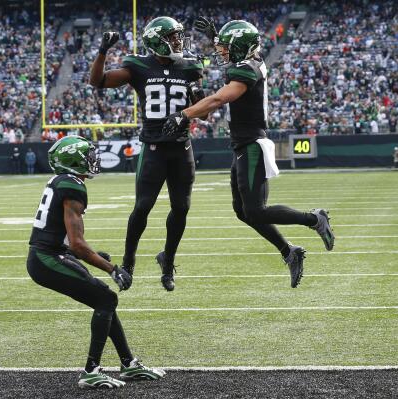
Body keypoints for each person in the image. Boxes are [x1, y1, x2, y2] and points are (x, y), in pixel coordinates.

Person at [163, 19, 335, 288]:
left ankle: (314, 219)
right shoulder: (250, 60)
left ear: (241, 48)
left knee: (256, 210)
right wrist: (217, 36)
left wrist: (184, 114)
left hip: (252, 145)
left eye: (225, 48)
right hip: (243, 145)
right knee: (243, 212)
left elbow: (221, 98)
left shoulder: (248, 69)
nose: (221, 53)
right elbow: (236, 58)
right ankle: (290, 252)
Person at [27, 135, 165, 389]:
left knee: (105, 300)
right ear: (73, 160)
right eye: (88, 156)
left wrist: (94, 255)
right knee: (106, 298)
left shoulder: (62, 181)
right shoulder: (72, 185)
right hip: (48, 258)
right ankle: (91, 371)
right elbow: (77, 244)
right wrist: (113, 269)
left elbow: (67, 238)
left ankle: (128, 364)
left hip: (53, 253)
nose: (93, 160)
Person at [89, 17, 205, 291]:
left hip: (181, 148)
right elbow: (98, 81)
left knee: (182, 208)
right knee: (142, 207)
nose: (179, 42)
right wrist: (102, 51)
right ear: (158, 40)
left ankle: (168, 262)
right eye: (174, 37)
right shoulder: (138, 65)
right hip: (153, 148)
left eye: (179, 36)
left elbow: (205, 110)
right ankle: (128, 262)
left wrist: (197, 93)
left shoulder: (190, 67)